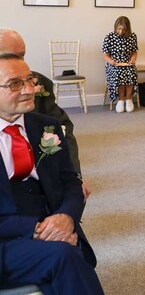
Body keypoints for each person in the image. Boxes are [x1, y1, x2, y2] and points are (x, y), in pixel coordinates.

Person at [0, 53, 103, 294]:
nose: (29, 89)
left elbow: (70, 180)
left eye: (30, 80)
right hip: (5, 239)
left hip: (50, 222)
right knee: (63, 258)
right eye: (15, 84)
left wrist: (65, 218)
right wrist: (38, 230)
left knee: (62, 270)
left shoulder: (46, 126)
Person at [0, 29, 89, 200]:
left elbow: (62, 129)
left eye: (22, 56)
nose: (28, 89)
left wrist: (75, 176)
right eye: (10, 56)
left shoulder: (39, 84)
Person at [102, 16, 138, 113]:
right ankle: (121, 100)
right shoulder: (109, 37)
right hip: (113, 64)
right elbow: (105, 55)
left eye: (124, 29)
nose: (121, 31)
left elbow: (134, 52)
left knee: (131, 72)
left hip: (127, 63)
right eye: (119, 29)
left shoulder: (132, 36)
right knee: (119, 73)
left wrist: (133, 60)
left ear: (128, 29)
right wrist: (112, 62)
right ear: (116, 27)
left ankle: (129, 100)